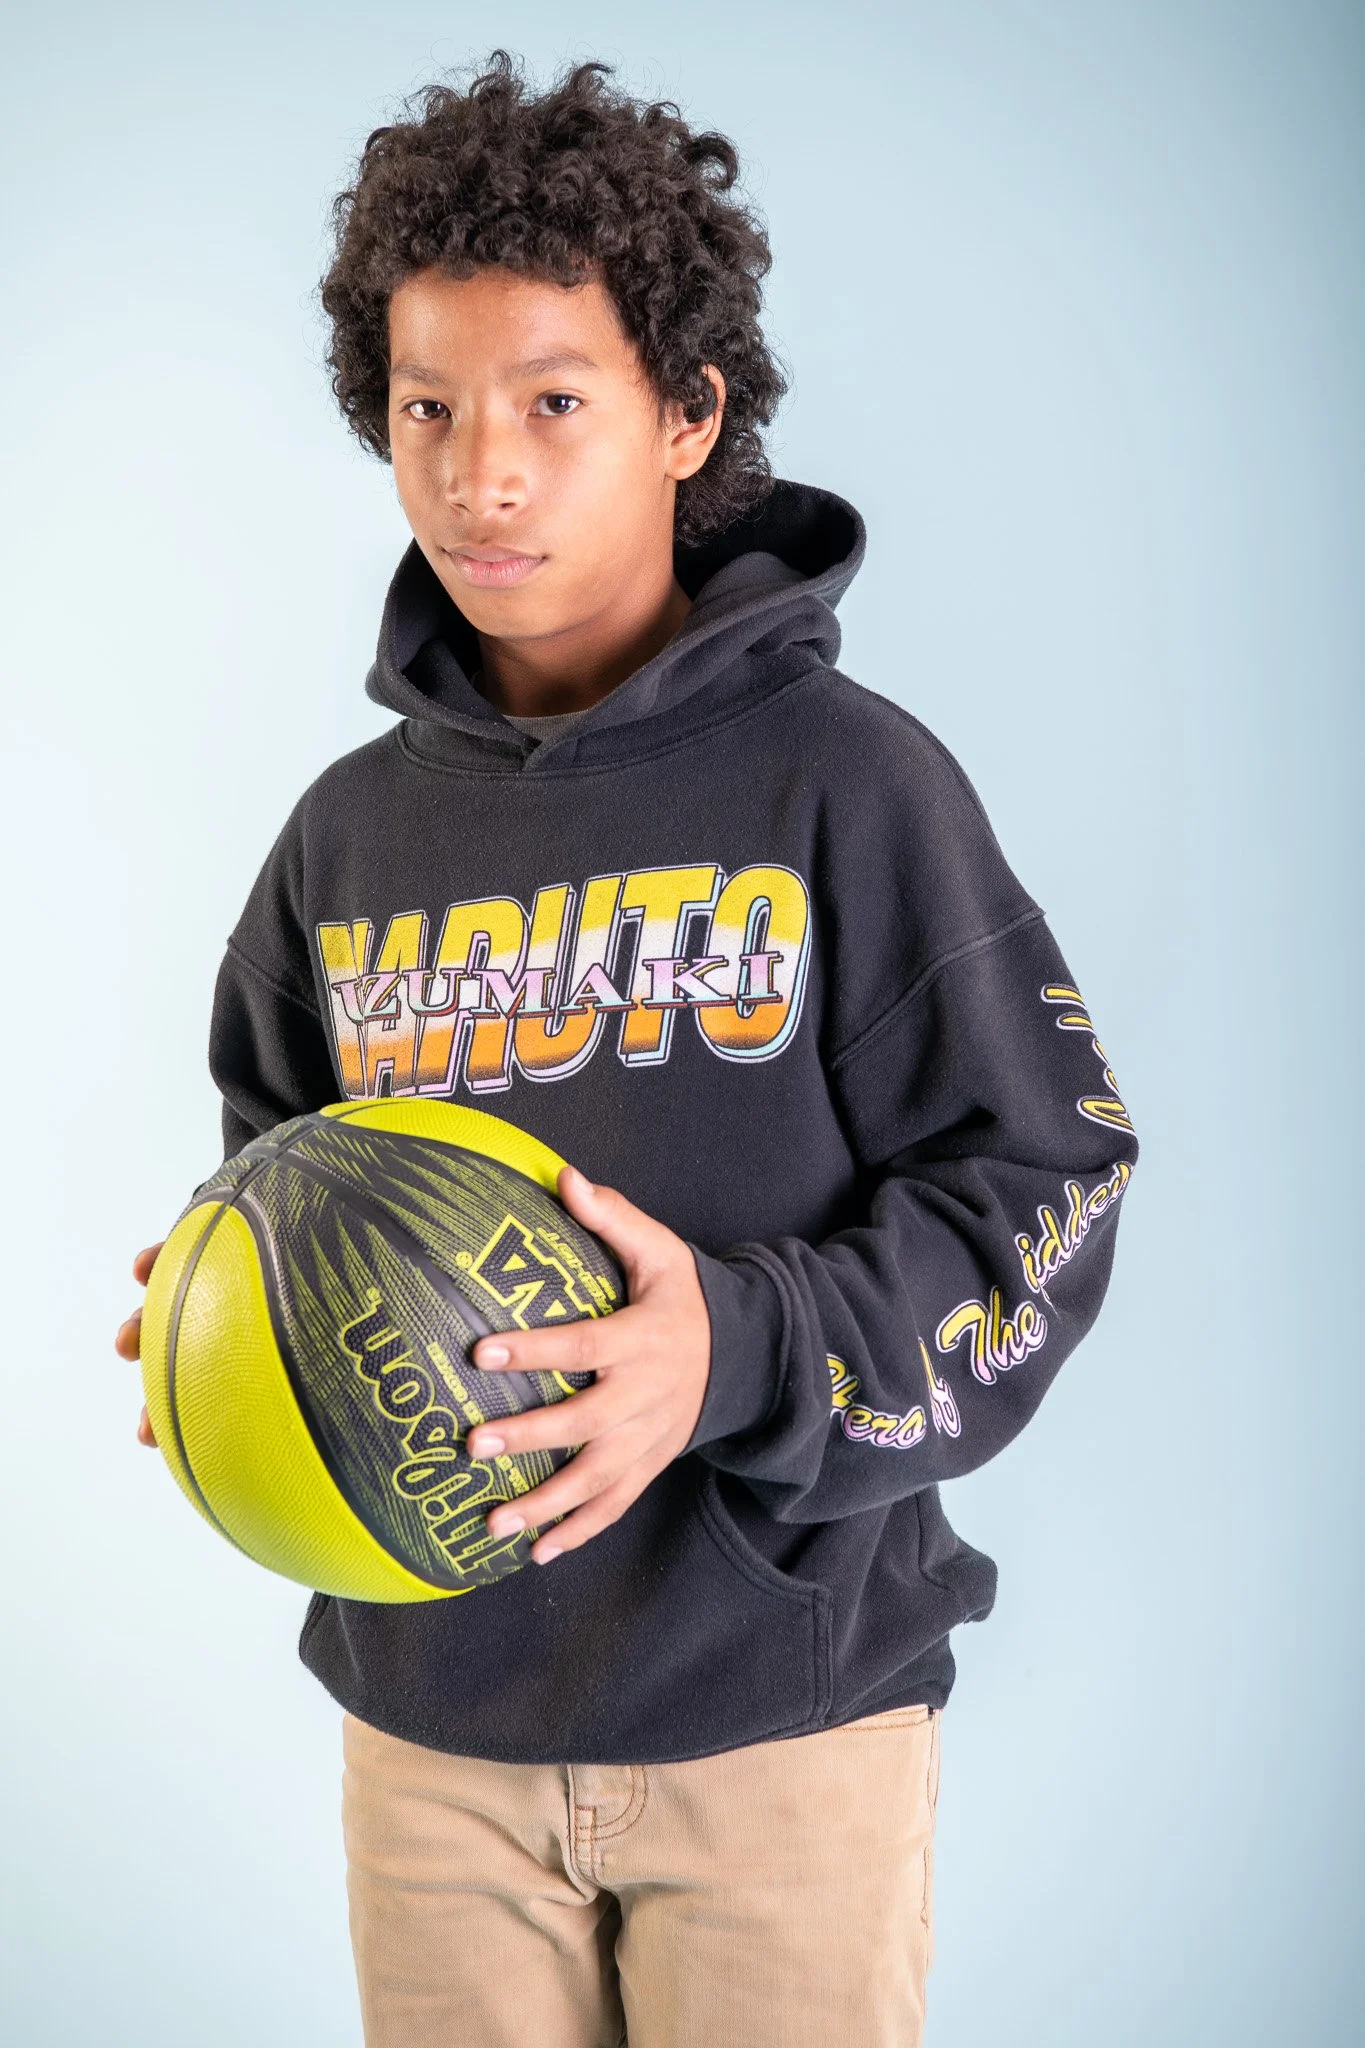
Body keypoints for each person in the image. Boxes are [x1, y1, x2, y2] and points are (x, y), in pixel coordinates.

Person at [116, 51, 1138, 2047]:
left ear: (688, 418)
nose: (479, 468)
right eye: (427, 409)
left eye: (552, 404)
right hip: (430, 1740)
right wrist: (217, 1319)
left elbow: (1049, 1186)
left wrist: (734, 1348)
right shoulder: (346, 836)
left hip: (781, 1725)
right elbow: (275, 1171)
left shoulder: (850, 787)